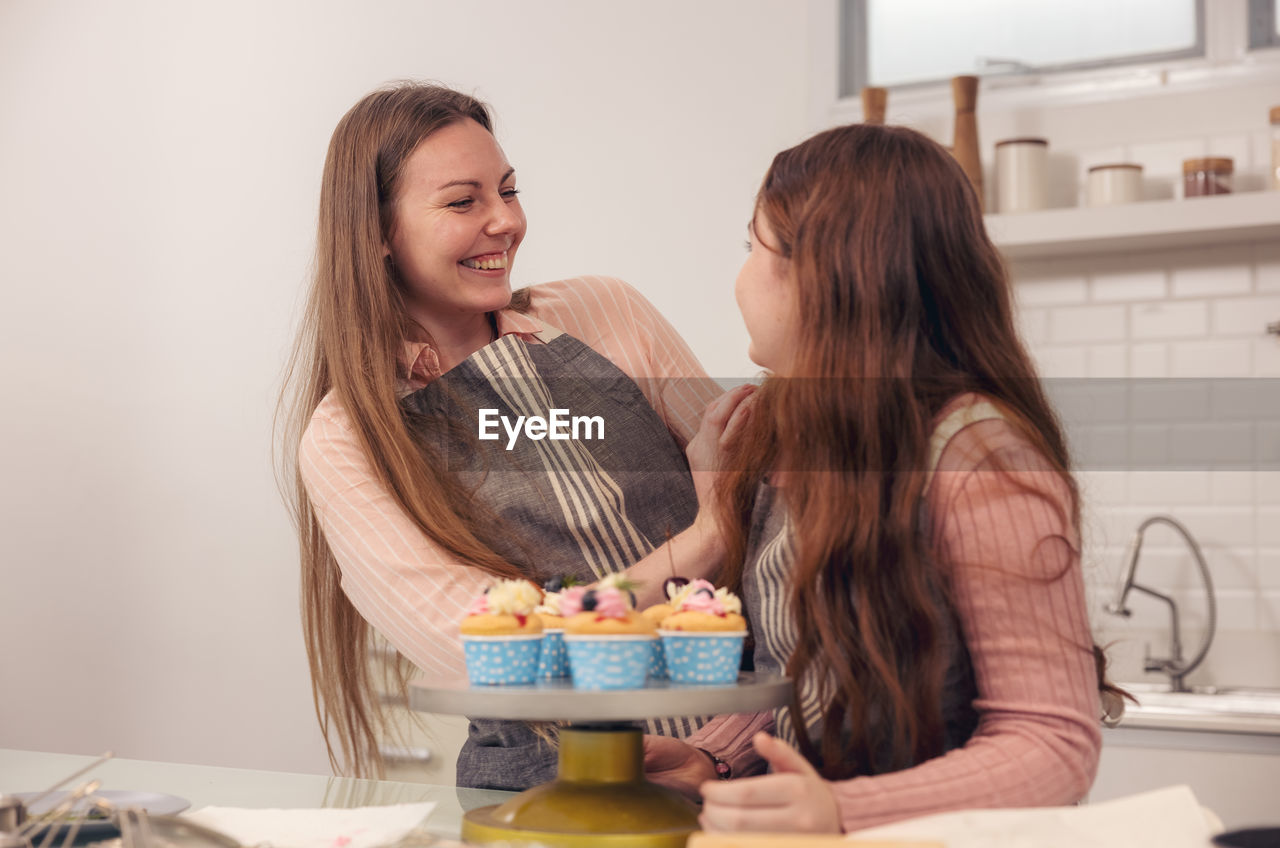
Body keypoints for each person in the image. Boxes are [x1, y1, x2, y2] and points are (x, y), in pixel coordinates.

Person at [643, 122, 1122, 833]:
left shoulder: (980, 457)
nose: (741, 276)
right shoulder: (805, 442)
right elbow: (826, 684)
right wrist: (714, 759)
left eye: (754, 247)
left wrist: (841, 809)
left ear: (829, 276)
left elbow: (1052, 743)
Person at [278, 81, 742, 789]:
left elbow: (769, 510)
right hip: (540, 795)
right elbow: (488, 653)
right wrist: (704, 539)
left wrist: (724, 752)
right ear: (374, 232)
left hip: (736, 766)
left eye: (509, 191)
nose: (505, 223)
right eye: (463, 202)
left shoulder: (603, 312)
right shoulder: (348, 439)